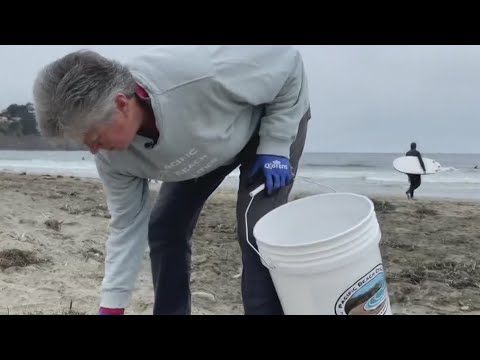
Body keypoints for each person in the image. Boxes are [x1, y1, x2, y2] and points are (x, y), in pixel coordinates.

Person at [32, 46, 311, 315]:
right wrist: (112, 305)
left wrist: (276, 143)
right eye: (85, 144)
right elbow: (127, 227)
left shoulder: (202, 71)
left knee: (256, 234)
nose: (93, 151)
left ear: (121, 104)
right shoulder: (112, 158)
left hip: (267, 130)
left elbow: (287, 62)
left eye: (95, 138)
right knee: (165, 227)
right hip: (201, 149)